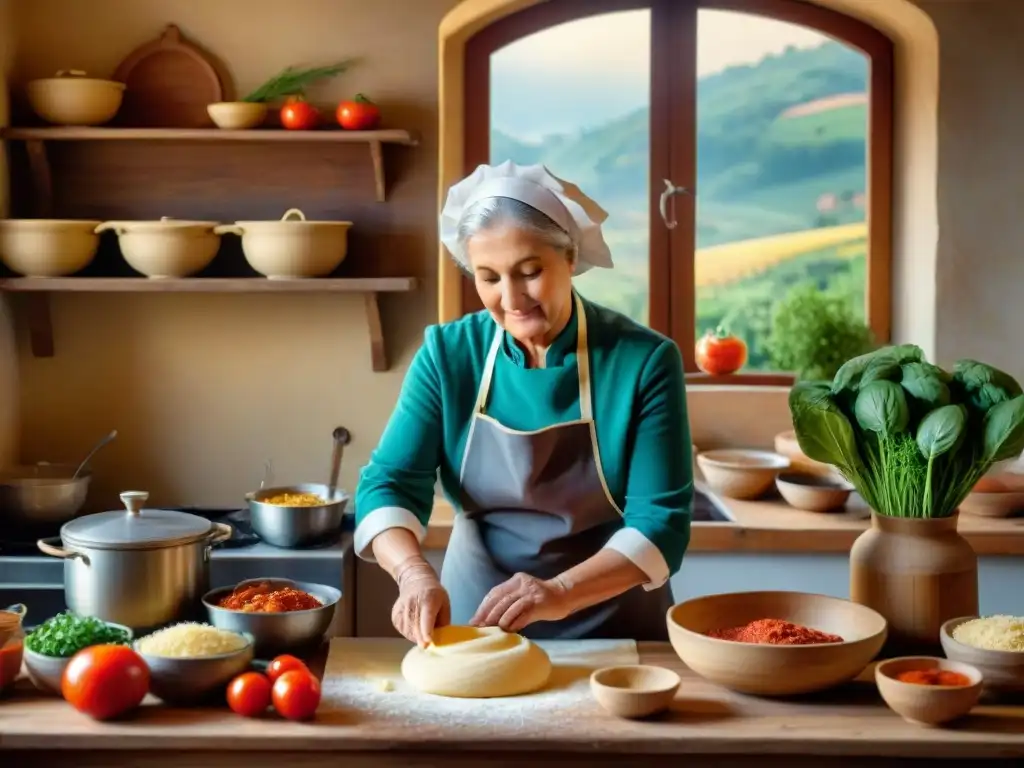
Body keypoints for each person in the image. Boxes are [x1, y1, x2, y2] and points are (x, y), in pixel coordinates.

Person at [354, 160, 693, 646]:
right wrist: (412, 573)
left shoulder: (643, 361)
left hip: (614, 635)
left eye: (530, 272)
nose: (511, 298)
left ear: (570, 258)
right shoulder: (449, 356)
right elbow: (387, 483)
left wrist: (559, 592)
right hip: (476, 629)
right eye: (488, 277)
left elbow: (661, 523)